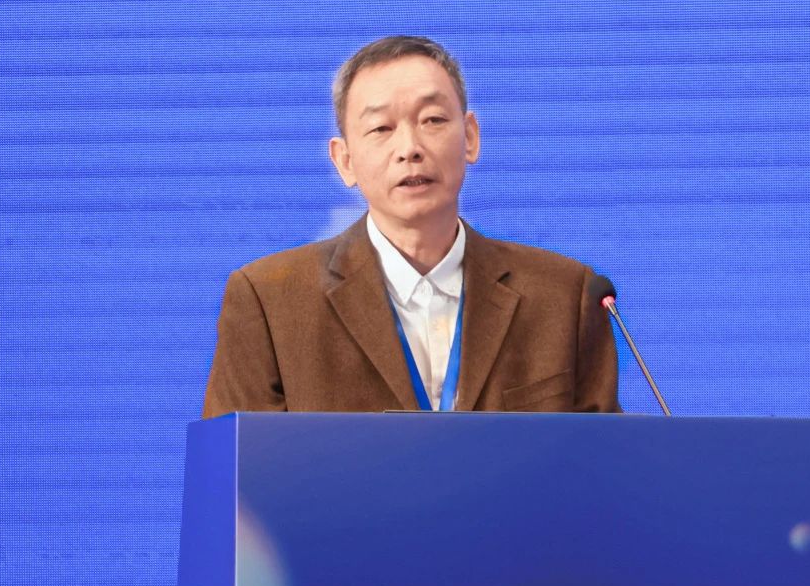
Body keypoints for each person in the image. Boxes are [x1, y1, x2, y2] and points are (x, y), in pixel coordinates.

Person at [202, 35, 619, 415]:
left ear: (470, 137)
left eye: (432, 120)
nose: (410, 148)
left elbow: (603, 464)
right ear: (344, 160)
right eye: (381, 128)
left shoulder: (566, 296)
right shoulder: (270, 302)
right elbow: (233, 468)